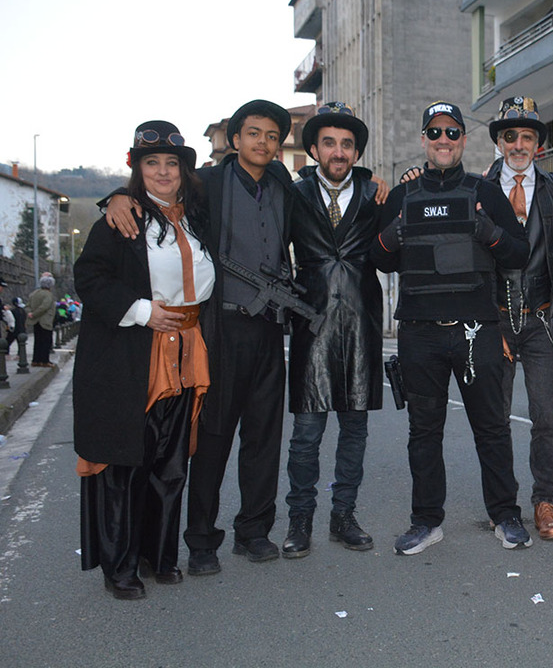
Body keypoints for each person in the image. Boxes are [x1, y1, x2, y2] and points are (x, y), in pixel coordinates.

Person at [106, 99, 297, 575]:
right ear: (235, 139)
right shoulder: (206, 183)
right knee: (212, 437)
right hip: (220, 328)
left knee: (264, 437)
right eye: (253, 133)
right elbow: (156, 190)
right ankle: (202, 540)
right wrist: (116, 197)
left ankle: (254, 531)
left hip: (270, 328)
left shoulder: (283, 184)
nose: (263, 142)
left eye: (272, 136)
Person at [372, 101, 532, 554]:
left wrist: (489, 232)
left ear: (463, 139)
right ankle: (426, 522)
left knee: (492, 427)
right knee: (424, 432)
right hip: (419, 332)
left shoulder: (486, 192)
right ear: (423, 140)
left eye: (452, 132)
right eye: (435, 132)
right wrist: (393, 235)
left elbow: (519, 253)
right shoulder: (403, 196)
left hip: (475, 330)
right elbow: (378, 258)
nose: (443, 140)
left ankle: (505, 515)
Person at [74, 122, 214, 599]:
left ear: (184, 171)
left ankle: (160, 555)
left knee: (170, 464)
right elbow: (89, 279)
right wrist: (141, 311)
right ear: (136, 169)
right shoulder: (120, 220)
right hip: (134, 353)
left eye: (171, 163)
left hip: (187, 350)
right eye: (152, 163)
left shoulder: (196, 218)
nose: (163, 172)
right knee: (125, 464)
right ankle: (120, 567)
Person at [281, 102, 385, 558]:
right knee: (306, 433)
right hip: (312, 323)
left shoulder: (374, 192)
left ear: (356, 152)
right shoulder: (293, 193)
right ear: (314, 150)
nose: (338, 151)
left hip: (361, 322)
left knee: (355, 430)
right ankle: (300, 518)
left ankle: (343, 515)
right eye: (329, 143)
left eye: (346, 144)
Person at [483, 96, 553, 540]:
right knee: (495, 418)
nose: (518, 144)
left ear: (539, 145)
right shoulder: (479, 189)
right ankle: (503, 505)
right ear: (499, 142)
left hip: (541, 320)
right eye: (510, 136)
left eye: (527, 137)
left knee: (546, 417)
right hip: (495, 318)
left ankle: (545, 502)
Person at [26, 273, 56, 367]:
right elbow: (44, 307)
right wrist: (35, 314)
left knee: (38, 341)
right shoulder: (48, 295)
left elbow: (28, 305)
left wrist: (30, 313)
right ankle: (45, 361)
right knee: (46, 341)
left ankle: (36, 360)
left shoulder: (34, 293)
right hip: (45, 321)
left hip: (35, 321)